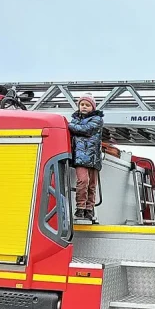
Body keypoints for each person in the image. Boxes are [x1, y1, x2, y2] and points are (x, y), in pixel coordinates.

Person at [69, 94, 104, 222]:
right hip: (80, 157)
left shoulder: (97, 119)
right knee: (83, 181)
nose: (84, 107)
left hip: (93, 157)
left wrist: (69, 126)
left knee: (92, 185)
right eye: (82, 104)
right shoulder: (75, 120)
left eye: (87, 105)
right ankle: (80, 208)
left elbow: (86, 130)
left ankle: (89, 209)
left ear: (92, 107)